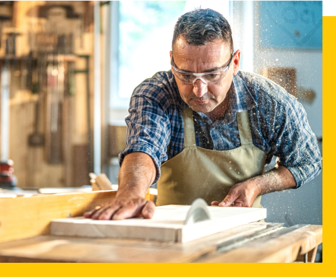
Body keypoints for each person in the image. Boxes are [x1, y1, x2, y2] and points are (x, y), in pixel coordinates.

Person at [84, 8, 322, 220]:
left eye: (213, 75)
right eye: (185, 75)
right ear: (172, 61)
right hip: (172, 238)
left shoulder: (270, 103)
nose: (199, 90)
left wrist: (257, 185)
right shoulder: (157, 94)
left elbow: (308, 161)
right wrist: (131, 193)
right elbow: (144, 146)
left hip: (244, 238)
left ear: (235, 61)